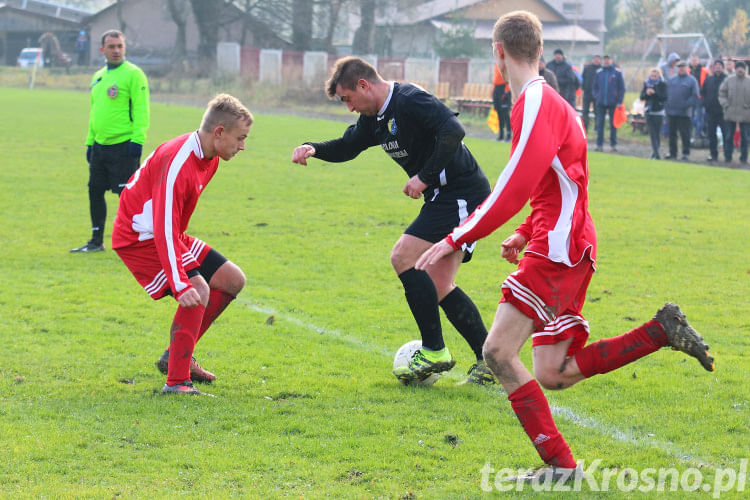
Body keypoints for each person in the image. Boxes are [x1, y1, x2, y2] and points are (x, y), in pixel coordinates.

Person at [416, 10, 714, 483]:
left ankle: (561, 468)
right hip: (566, 242)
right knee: (552, 371)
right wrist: (524, 232)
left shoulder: (534, 100)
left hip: (559, 249)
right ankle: (659, 332)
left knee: (496, 354)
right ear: (538, 48)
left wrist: (457, 236)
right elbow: (554, 187)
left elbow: (513, 186)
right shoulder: (551, 102)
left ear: (498, 53)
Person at [291, 57, 495, 385]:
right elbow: (348, 146)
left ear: (363, 85)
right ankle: (490, 361)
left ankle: (434, 350)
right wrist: (313, 148)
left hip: (461, 193)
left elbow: (453, 130)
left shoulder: (409, 99)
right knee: (439, 284)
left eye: (348, 99)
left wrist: (424, 177)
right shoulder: (375, 118)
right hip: (443, 197)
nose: (349, 108)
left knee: (404, 256)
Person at [112, 94, 252, 395]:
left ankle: (177, 357)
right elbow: (162, 226)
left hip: (168, 233)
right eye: (240, 138)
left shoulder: (210, 159)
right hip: (140, 238)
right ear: (219, 132)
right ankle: (176, 383)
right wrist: (180, 283)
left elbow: (172, 223)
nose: (242, 146)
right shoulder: (179, 162)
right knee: (197, 289)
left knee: (232, 280)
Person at [71, 30, 150, 253]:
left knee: (129, 197)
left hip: (124, 145)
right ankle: (96, 241)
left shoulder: (134, 75)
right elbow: (95, 112)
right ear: (102, 50)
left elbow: (142, 110)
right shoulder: (98, 77)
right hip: (100, 147)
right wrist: (89, 142)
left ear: (124, 48)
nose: (116, 50)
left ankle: (137, 241)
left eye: (119, 46)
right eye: (111, 46)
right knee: (94, 191)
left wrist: (138, 139)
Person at [664, 61, 699, 161]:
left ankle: (685, 153)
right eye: (679, 67)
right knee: (672, 134)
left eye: (683, 67)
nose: (681, 69)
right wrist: (667, 106)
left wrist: (685, 105)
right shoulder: (672, 80)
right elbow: (666, 95)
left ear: (687, 68)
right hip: (671, 112)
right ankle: (672, 153)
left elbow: (695, 96)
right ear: (677, 68)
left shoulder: (692, 80)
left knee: (685, 134)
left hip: (684, 113)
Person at [719, 60, 750, 165]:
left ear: (745, 69)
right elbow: (721, 93)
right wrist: (726, 105)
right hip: (730, 113)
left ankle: (744, 158)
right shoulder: (729, 80)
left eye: (742, 68)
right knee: (728, 136)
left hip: (746, 114)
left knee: (745, 137)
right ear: (735, 69)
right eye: (738, 67)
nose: (740, 69)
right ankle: (728, 157)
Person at [592, 55, 625, 152]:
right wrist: (597, 96)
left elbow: (621, 88)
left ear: (611, 61)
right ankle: (599, 145)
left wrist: (619, 101)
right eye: (605, 60)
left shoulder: (617, 73)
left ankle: (613, 145)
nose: (606, 61)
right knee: (600, 124)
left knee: (613, 124)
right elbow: (594, 87)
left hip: (613, 103)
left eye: (608, 60)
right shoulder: (599, 73)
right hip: (601, 102)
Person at [701, 59, 727, 162]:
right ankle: (713, 154)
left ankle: (727, 155)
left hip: (723, 113)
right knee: (711, 135)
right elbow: (702, 93)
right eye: (716, 65)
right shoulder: (709, 79)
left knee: (726, 134)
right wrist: (705, 104)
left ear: (722, 67)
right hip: (711, 112)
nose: (717, 67)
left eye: (720, 65)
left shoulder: (727, 79)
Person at [640, 67, 667, 159]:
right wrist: (647, 93)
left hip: (658, 112)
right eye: (652, 75)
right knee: (652, 133)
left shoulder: (663, 84)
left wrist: (655, 93)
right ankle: (656, 153)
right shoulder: (646, 84)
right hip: (649, 111)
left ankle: (655, 152)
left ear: (659, 76)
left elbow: (664, 97)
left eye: (655, 76)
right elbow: (642, 97)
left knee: (657, 133)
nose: (653, 77)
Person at [581, 55, 601, 133]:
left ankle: (597, 128)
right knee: (585, 111)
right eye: (595, 59)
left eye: (598, 59)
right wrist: (584, 88)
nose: (596, 61)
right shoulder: (587, 68)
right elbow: (582, 79)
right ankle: (585, 128)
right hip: (587, 93)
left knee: (597, 111)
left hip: (597, 94)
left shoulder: (601, 69)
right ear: (593, 60)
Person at [492, 64, 512, 141]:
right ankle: (501, 134)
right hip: (497, 89)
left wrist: (506, 90)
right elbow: (495, 79)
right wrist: (493, 91)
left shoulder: (506, 64)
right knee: (499, 113)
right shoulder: (496, 64)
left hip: (503, 89)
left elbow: (509, 79)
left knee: (505, 114)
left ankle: (509, 133)